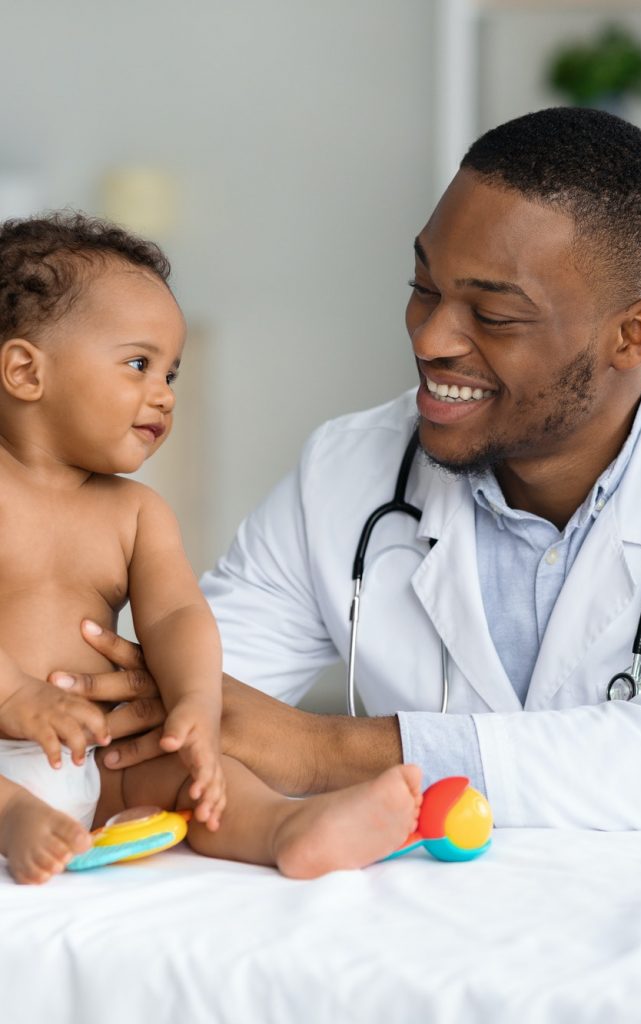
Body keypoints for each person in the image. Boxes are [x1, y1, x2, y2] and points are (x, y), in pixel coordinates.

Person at [54, 108, 641, 836]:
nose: (430, 337)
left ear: (634, 333)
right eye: (424, 287)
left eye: (494, 316)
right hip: (435, 939)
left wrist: (329, 751)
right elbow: (189, 710)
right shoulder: (346, 471)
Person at [0, 213, 422, 885]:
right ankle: (14, 816)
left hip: (90, 761)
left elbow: (176, 618)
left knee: (200, 776)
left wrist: (196, 705)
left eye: (171, 372)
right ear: (26, 371)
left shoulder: (134, 512)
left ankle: (292, 827)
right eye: (139, 364)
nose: (163, 395)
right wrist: (14, 695)